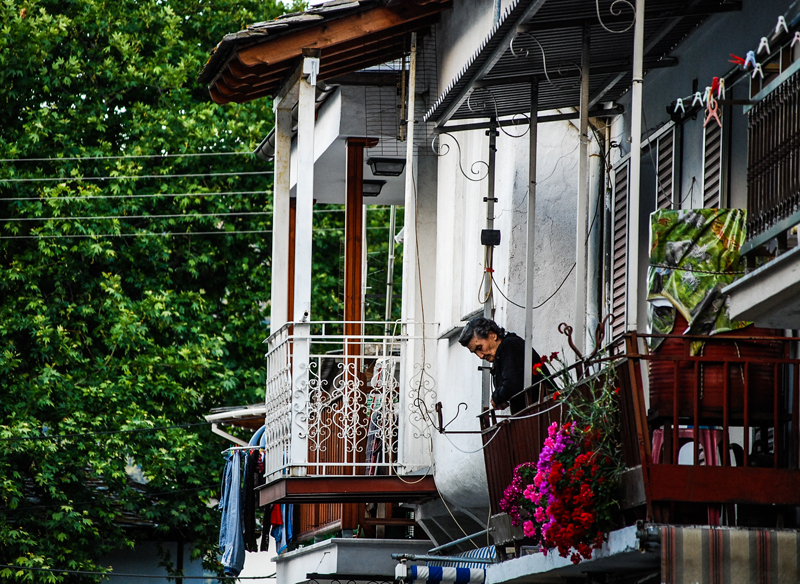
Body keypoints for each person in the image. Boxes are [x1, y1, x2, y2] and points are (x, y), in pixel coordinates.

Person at [458, 317, 548, 411]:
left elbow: (511, 385)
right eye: (475, 352)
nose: (480, 356)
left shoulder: (509, 345)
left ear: (492, 335)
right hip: (538, 411)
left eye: (480, 348)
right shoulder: (503, 352)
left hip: (544, 411)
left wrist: (497, 398)